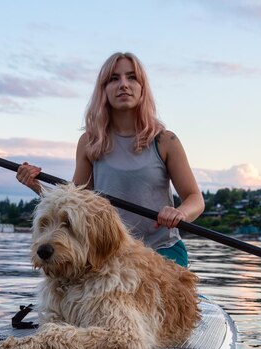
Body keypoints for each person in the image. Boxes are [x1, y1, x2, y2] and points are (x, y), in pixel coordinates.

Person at [16, 52, 204, 267]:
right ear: (103, 90)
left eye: (132, 77)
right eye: (114, 79)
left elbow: (195, 198)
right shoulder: (89, 141)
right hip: (108, 252)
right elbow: (75, 200)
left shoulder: (165, 140)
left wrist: (180, 212)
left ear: (142, 88)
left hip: (162, 251)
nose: (123, 84)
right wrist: (35, 185)